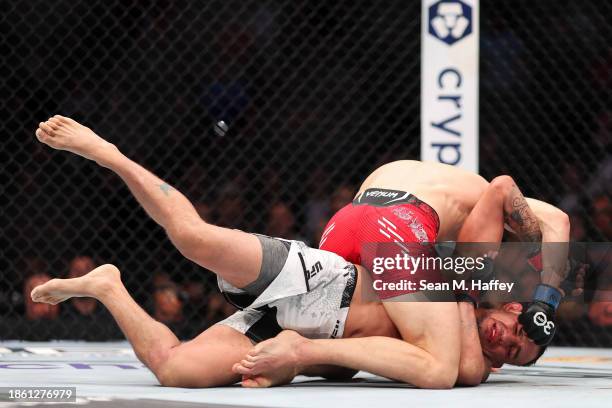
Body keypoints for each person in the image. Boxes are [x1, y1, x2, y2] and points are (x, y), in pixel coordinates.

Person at [31, 116, 550, 389]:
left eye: (512, 352)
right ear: (507, 306)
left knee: (177, 370)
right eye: (515, 331)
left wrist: (300, 357)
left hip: (306, 303)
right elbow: (519, 203)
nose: (506, 342)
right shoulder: (466, 290)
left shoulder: (454, 333)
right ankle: (110, 154)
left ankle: (106, 286)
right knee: (445, 370)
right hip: (332, 278)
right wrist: (545, 294)